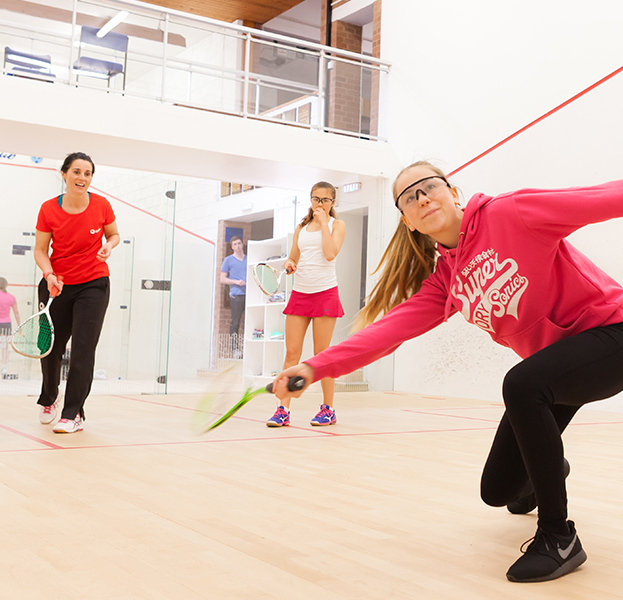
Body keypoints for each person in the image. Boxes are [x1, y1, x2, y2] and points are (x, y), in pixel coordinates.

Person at [273, 160, 623, 582]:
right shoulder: (447, 281)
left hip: (612, 333)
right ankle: (546, 470)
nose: (421, 198)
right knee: (497, 492)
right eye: (408, 197)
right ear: (408, 221)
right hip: (561, 367)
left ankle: (558, 537)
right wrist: (314, 366)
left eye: (428, 187)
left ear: (452, 193)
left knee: (522, 383)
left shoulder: (512, 213)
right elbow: (387, 332)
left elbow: (603, 198)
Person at [34, 152, 119, 433]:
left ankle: (73, 414)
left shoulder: (101, 205)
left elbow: (113, 234)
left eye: (88, 173)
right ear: (64, 174)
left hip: (94, 283)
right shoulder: (48, 209)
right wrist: (48, 275)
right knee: (49, 348)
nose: (82, 178)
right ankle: (50, 397)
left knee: (83, 350)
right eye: (77, 172)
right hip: (56, 284)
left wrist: (109, 246)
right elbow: (40, 250)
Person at [267, 181, 346, 427]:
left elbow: (330, 253)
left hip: (325, 293)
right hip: (300, 293)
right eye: (315, 199)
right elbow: (294, 256)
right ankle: (282, 410)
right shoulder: (301, 227)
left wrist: (324, 224)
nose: (319, 204)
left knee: (322, 356)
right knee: (292, 354)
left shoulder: (337, 225)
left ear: (333, 203)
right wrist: (290, 264)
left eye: (325, 200)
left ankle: (328, 409)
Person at [220, 235, 247, 358]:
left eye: (239, 243)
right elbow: (222, 279)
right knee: (235, 322)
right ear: (232, 247)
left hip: (249, 295)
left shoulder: (249, 259)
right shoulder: (228, 260)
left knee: (250, 321)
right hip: (236, 296)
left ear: (242, 245)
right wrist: (236, 282)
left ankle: (249, 347)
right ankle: (235, 350)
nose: (237, 246)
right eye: (235, 244)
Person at [0, 277, 21, 376]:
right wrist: (19, 326)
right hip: (6, 325)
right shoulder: (11, 297)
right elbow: (16, 313)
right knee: (4, 347)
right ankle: (4, 367)